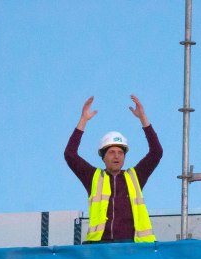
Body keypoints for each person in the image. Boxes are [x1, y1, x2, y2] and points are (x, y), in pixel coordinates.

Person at [64, 95, 163, 243]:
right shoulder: (93, 177)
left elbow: (156, 152)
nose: (116, 156)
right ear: (103, 157)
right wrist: (83, 120)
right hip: (100, 247)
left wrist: (143, 118)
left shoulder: (135, 176)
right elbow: (70, 154)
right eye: (111, 152)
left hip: (132, 246)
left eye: (120, 152)